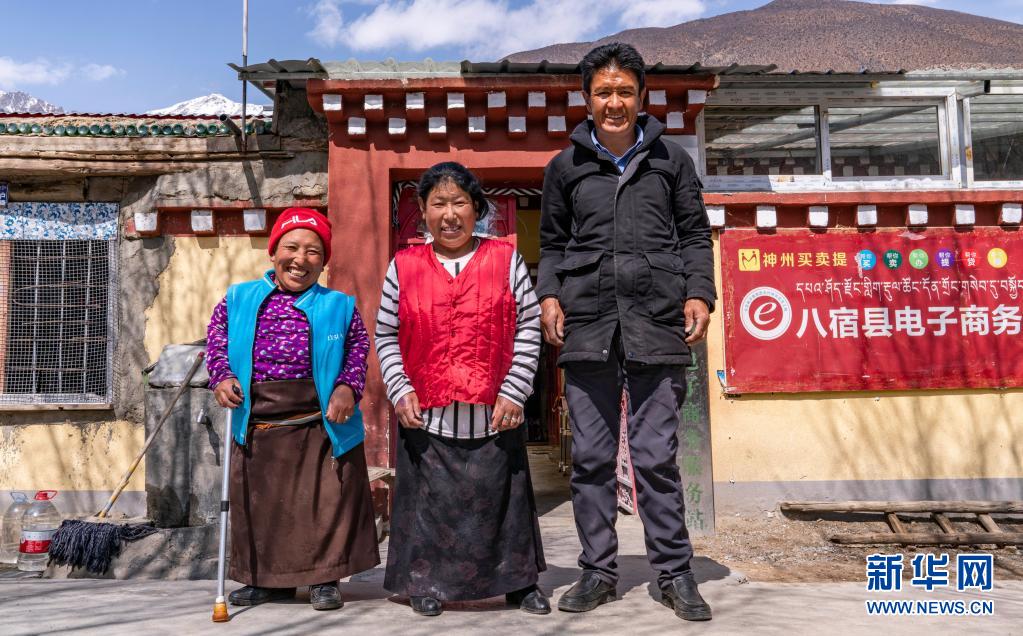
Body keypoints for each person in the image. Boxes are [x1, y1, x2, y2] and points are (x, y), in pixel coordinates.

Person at [537, 42, 716, 622]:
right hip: (589, 324)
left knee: (655, 458)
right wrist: (549, 295)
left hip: (656, 323)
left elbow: (694, 234)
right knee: (590, 458)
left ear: (641, 96)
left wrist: (699, 292)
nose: (613, 102)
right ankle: (597, 571)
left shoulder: (671, 160)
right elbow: (552, 244)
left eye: (624, 91)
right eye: (603, 92)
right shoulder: (565, 167)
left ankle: (675, 573)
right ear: (586, 99)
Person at [376, 162, 548, 617]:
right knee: (429, 507)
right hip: (427, 414)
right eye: (439, 204)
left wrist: (515, 390)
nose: (449, 214)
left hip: (494, 414)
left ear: (476, 209)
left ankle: (518, 583)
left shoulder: (505, 260)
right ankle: (426, 582)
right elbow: (386, 333)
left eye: (459, 203)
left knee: (504, 507)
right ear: (423, 210)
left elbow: (529, 326)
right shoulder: (404, 266)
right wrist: (400, 389)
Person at [205, 207, 379, 611]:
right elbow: (216, 340)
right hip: (259, 420)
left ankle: (324, 579)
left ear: (324, 261)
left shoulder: (339, 305)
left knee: (325, 504)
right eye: (292, 248)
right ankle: (268, 581)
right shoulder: (238, 298)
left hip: (320, 420)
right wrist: (222, 377)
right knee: (263, 506)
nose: (301, 259)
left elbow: (358, 349)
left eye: (313, 251)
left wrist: (347, 388)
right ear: (273, 252)